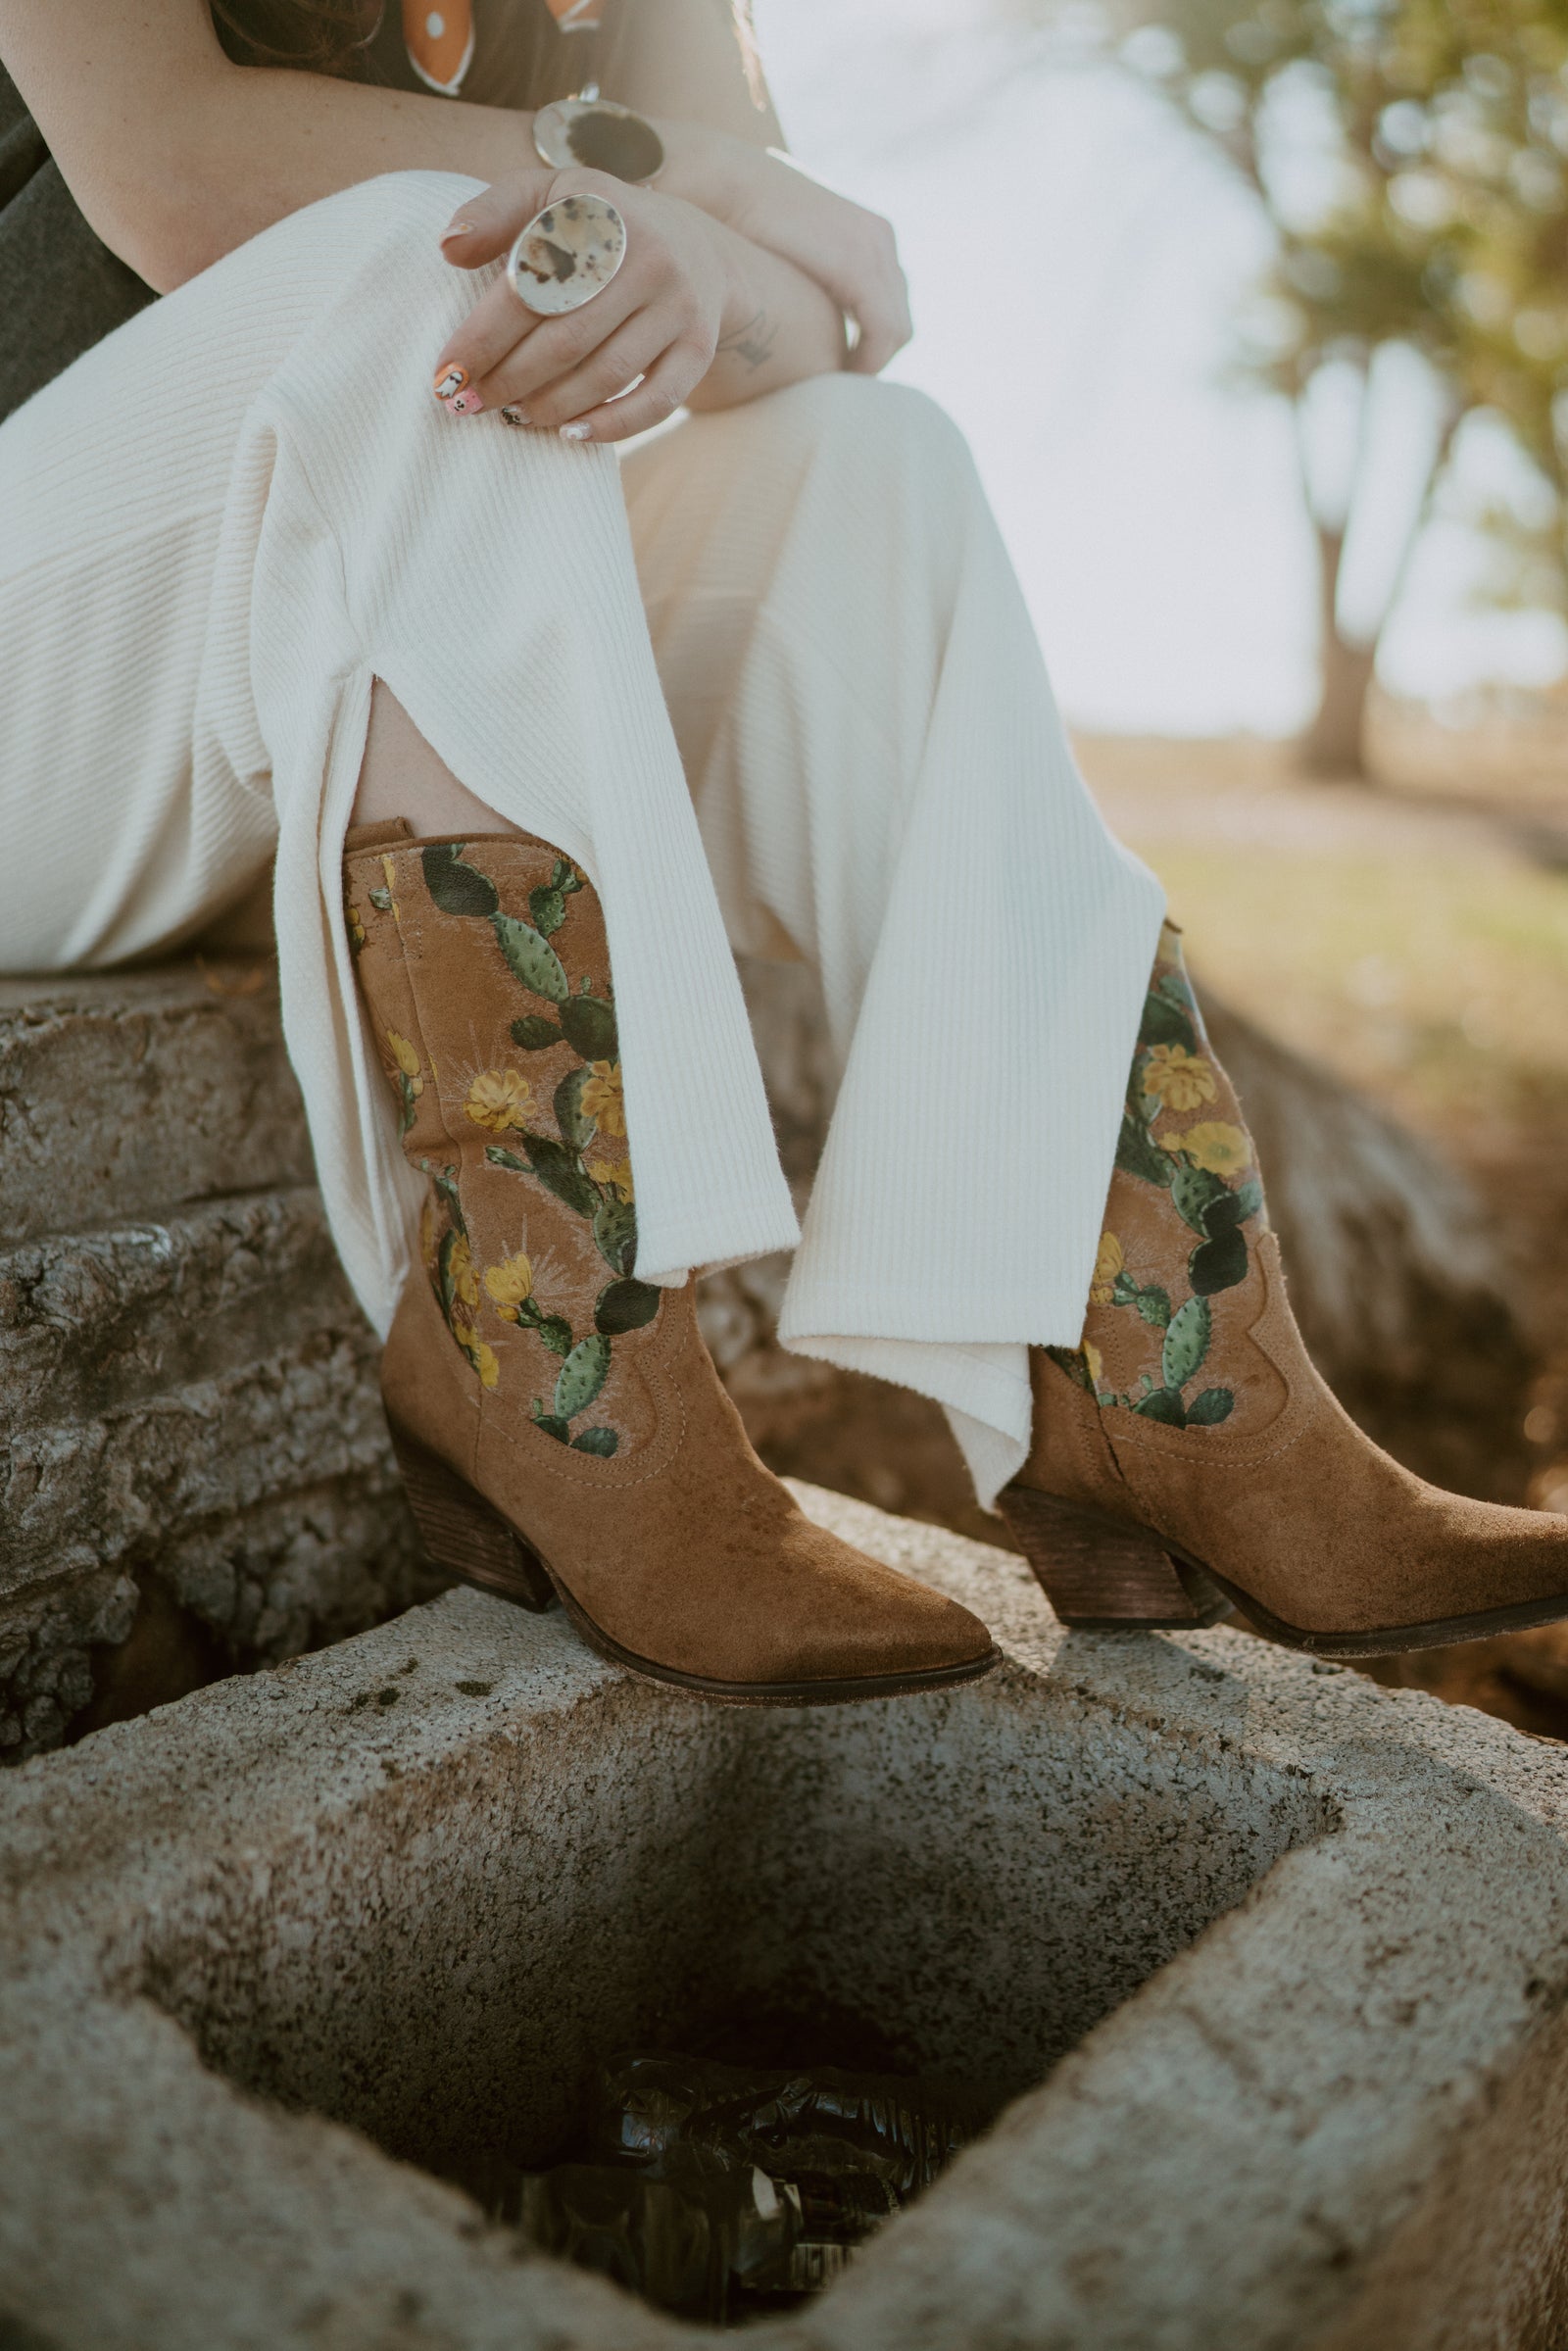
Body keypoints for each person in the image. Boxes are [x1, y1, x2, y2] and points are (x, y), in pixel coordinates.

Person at [3, 0, 1565, 1707]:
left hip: (313, 705)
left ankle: (1171, 1388)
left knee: (874, 465)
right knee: (434, 262)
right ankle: (556, 1364)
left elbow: (826, 331)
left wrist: (689, 236)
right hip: (55, 693)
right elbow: (172, 164)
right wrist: (659, 190)